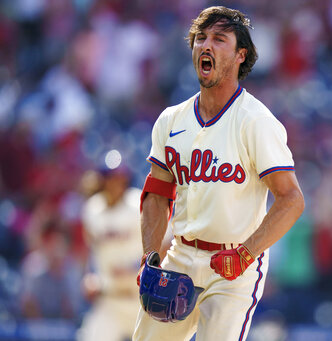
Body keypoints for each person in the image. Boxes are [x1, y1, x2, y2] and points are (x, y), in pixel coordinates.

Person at [133, 6, 304, 341]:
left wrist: (246, 254)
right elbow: (157, 192)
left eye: (219, 38)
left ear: (241, 55)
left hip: (234, 264)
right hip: (179, 255)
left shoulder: (255, 121)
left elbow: (292, 199)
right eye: (200, 38)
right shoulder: (171, 120)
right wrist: (150, 256)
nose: (205, 45)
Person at [77, 165, 144, 341]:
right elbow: (88, 248)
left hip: (142, 299)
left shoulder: (138, 203)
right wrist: (88, 275)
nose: (115, 184)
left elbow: (164, 245)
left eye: (120, 179)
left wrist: (135, 267)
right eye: (111, 179)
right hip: (109, 298)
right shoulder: (93, 208)